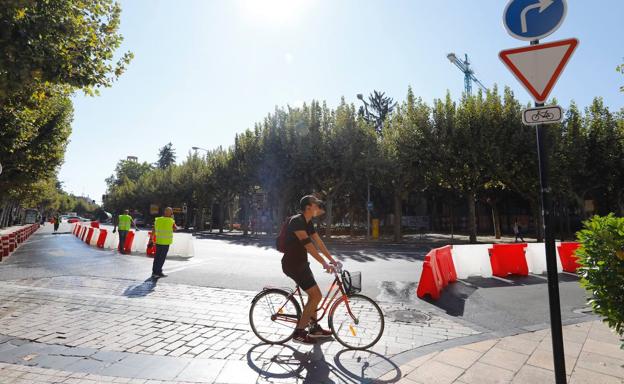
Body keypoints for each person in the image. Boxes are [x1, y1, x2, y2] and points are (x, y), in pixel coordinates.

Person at [282, 195, 339, 345]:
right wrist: (324, 264)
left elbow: (318, 242)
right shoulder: (297, 221)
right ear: (308, 207)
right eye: (316, 203)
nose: (318, 205)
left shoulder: (307, 222)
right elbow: (309, 245)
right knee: (316, 296)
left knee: (314, 296)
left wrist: (332, 260)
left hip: (302, 264)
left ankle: (313, 328)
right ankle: (299, 333)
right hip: (292, 265)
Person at [152, 207, 177, 279]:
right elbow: (175, 229)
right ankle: (158, 272)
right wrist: (173, 220)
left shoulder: (158, 219)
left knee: (157, 257)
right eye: (171, 212)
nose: (171, 213)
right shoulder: (171, 221)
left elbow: (154, 229)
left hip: (158, 241)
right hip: (165, 242)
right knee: (161, 258)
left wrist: (151, 239)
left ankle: (154, 272)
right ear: (168, 212)